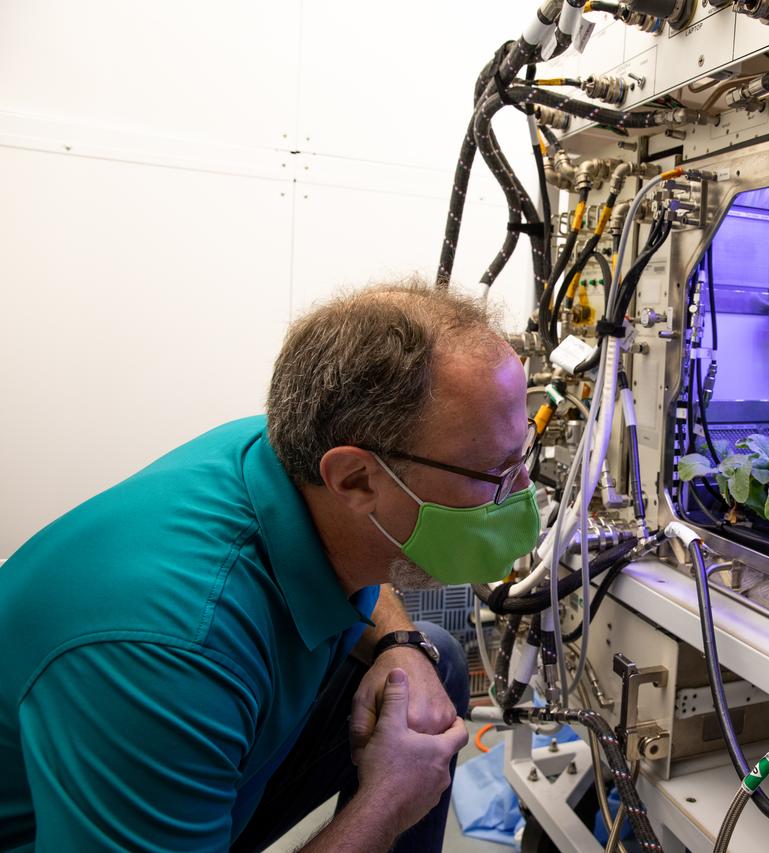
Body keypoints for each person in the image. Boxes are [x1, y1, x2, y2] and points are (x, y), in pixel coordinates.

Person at [0, 281, 542, 852]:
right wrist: (387, 803)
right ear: (356, 479)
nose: (523, 492)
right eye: (494, 474)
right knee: (407, 765)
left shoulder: (289, 459)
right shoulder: (171, 654)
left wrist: (397, 643)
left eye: (522, 454)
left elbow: (358, 568)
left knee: (431, 665)